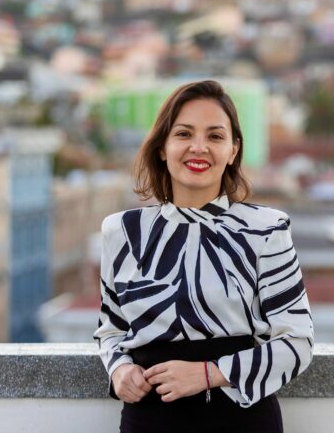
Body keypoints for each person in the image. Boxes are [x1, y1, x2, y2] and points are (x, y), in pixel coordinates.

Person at [93, 80, 314, 433]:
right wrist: (118, 368)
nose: (199, 147)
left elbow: (297, 343)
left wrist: (208, 374)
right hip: (149, 420)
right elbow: (111, 330)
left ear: (233, 150)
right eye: (184, 134)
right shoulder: (122, 232)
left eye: (215, 136)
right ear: (162, 147)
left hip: (241, 421)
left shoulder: (266, 229)